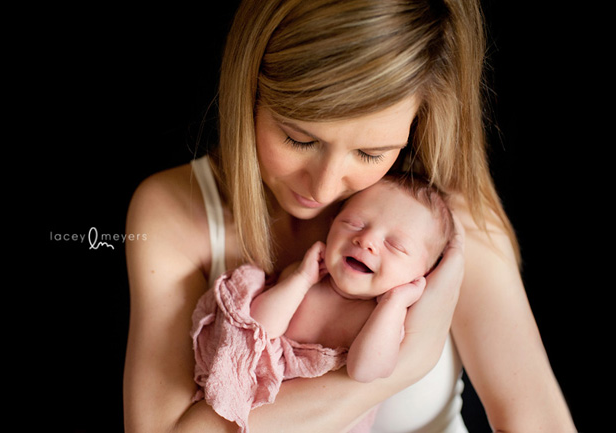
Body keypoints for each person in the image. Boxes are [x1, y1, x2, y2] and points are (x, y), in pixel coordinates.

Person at [123, 0, 577, 432]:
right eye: (299, 139)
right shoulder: (173, 210)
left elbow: (539, 421)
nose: (323, 187)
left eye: (370, 152)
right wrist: (401, 369)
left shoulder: (438, 219)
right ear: (250, 92)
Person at [190, 175, 453, 432]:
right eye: (354, 223)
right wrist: (301, 280)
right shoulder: (306, 277)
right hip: (260, 410)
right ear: (331, 225)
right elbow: (257, 328)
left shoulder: (385, 317)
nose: (367, 240)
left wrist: (394, 303)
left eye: (395, 245)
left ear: (422, 275)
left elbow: (364, 371)